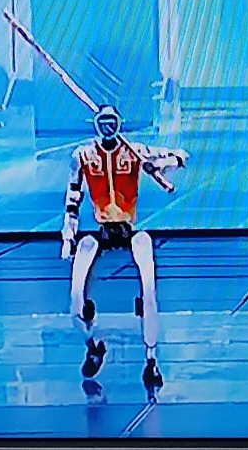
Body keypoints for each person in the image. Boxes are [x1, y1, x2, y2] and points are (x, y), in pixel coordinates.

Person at [63, 103, 188, 386]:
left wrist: (160, 164)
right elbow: (73, 196)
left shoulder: (135, 151)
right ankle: (92, 347)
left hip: (130, 229)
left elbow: (181, 156)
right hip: (101, 231)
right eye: (103, 122)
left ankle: (151, 360)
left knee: (149, 289)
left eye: (112, 122)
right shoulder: (83, 156)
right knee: (75, 298)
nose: (108, 127)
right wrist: (68, 235)